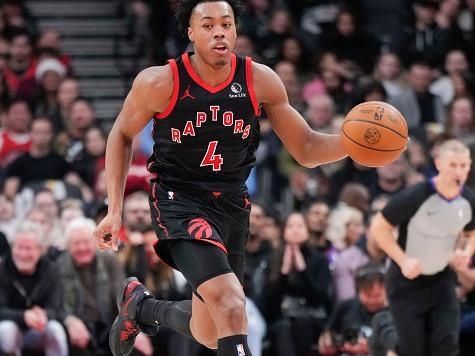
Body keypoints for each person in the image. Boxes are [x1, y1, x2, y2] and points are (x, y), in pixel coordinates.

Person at [93, 1, 351, 356]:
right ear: (191, 32)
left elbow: (305, 147)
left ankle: (140, 307)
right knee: (231, 305)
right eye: (209, 25)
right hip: (179, 200)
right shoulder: (160, 81)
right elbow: (121, 135)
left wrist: (351, 144)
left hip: (231, 204)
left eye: (226, 24)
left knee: (212, 331)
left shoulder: (259, 80)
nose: (219, 32)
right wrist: (115, 208)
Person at [370, 139, 475, 356]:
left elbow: (473, 232)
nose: (458, 171)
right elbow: (379, 227)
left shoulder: (468, 200)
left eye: (464, 165)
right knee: (412, 351)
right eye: (453, 165)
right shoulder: (417, 195)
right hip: (405, 283)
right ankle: (383, 324)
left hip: (441, 279)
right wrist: (403, 260)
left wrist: (466, 252)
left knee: (446, 346)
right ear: (438, 164)